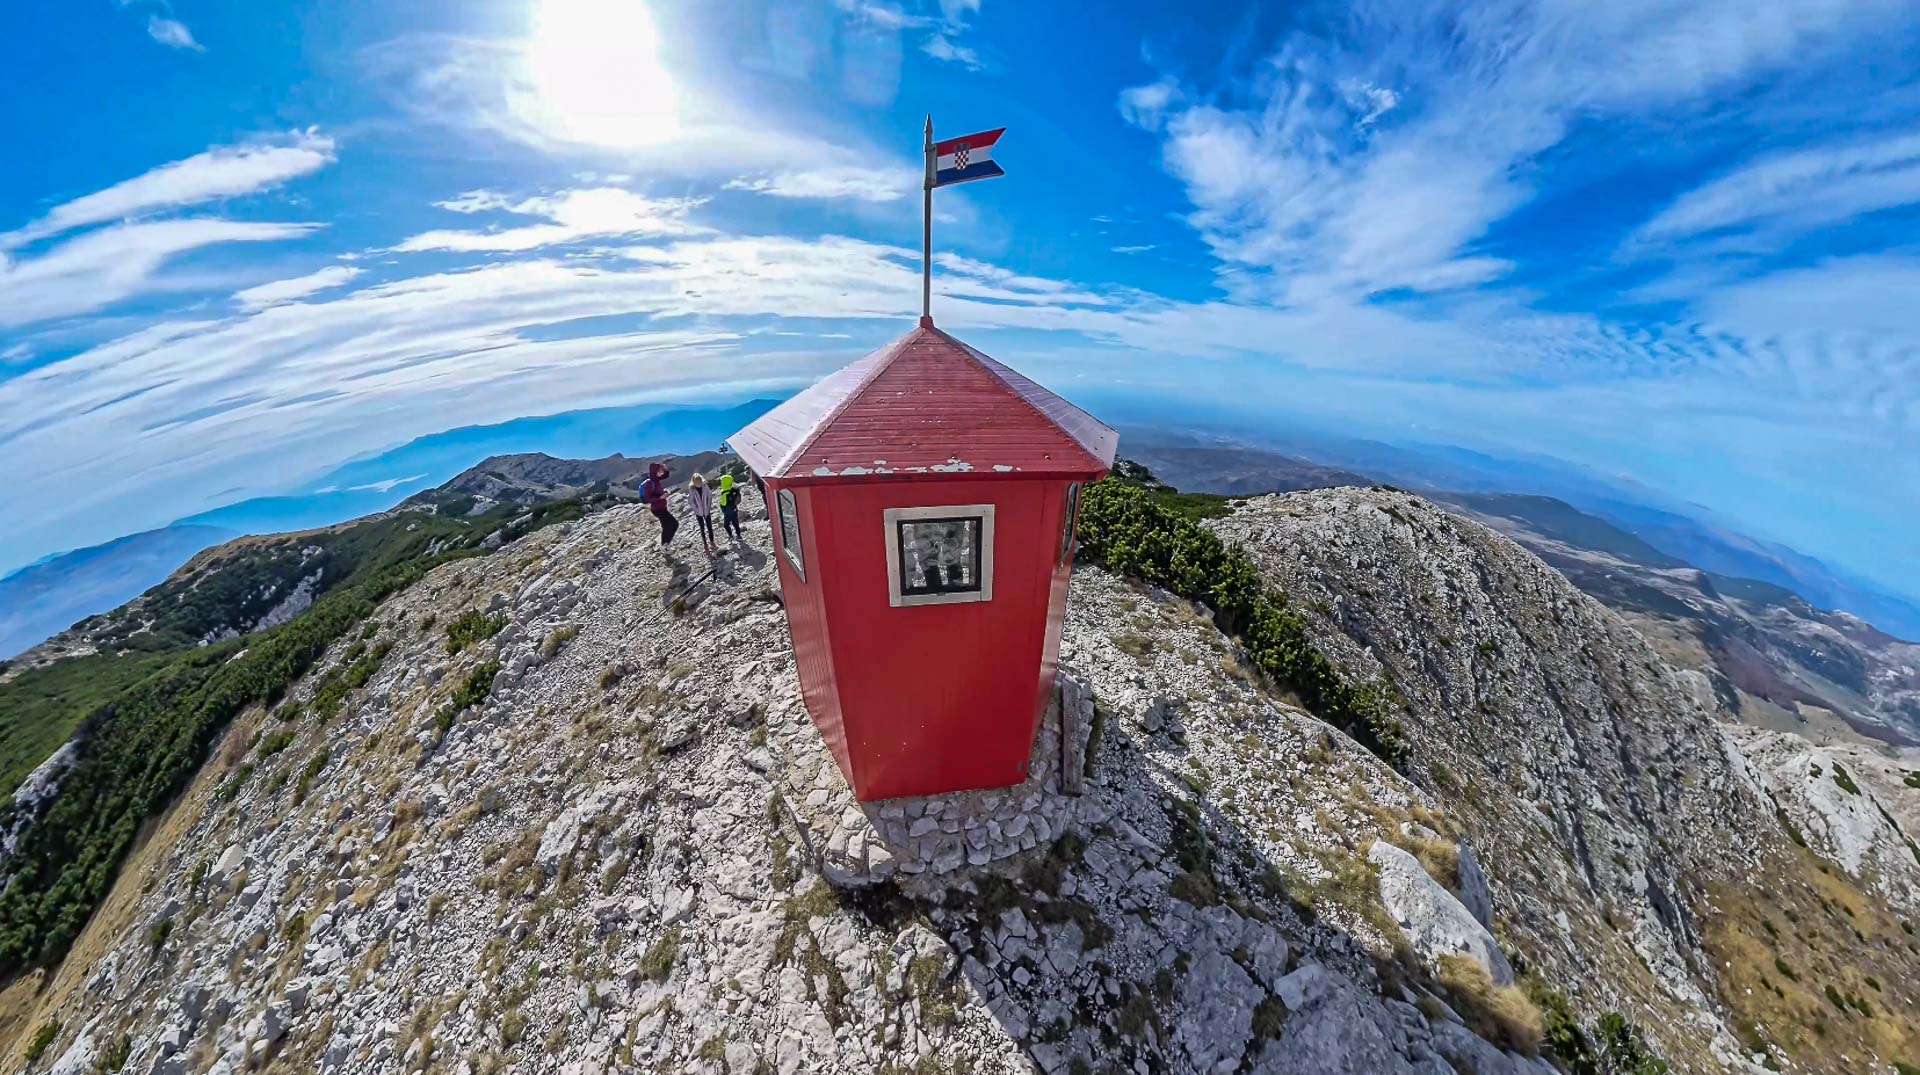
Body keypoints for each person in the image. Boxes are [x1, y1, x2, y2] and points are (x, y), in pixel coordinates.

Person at [639, 462, 677, 545]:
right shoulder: (650, 483)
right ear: (654, 472)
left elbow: (666, 475)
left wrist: (665, 468)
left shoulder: (656, 480)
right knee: (674, 524)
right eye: (660, 471)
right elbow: (648, 499)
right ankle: (665, 545)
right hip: (657, 509)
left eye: (662, 471)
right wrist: (660, 498)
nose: (662, 473)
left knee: (666, 527)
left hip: (662, 508)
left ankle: (665, 545)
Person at [687, 472, 717, 555]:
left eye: (700, 482)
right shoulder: (691, 489)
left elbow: (709, 496)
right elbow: (691, 501)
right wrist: (696, 510)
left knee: (710, 527)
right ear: (694, 482)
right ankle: (705, 545)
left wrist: (708, 506)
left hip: (707, 510)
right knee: (702, 529)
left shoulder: (705, 486)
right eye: (697, 483)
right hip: (698, 512)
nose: (699, 484)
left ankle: (712, 542)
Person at [717, 473, 745, 545]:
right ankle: (739, 535)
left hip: (727, 512)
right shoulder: (734, 490)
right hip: (734, 510)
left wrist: (722, 508)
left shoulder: (724, 492)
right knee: (736, 523)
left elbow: (723, 504)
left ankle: (730, 535)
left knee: (726, 525)